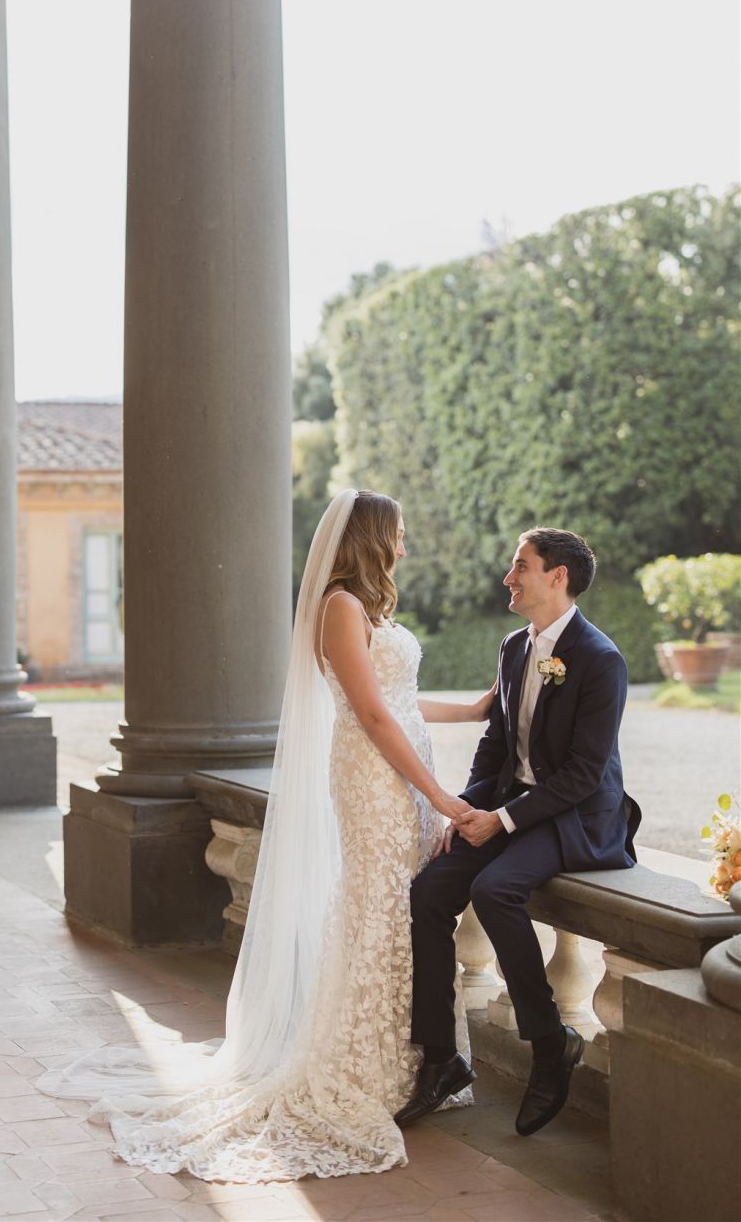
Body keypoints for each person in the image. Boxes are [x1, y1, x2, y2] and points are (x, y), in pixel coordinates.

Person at [38, 489, 495, 1181]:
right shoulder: (339, 606)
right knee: (374, 907)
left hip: (404, 770)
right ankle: (364, 1069)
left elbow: (399, 700)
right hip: (373, 778)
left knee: (403, 912)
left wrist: (472, 710)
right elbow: (371, 715)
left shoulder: (371, 610)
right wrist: (441, 797)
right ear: (370, 538)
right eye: (396, 535)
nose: (403, 547)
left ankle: (417, 1061)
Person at [401, 527, 641, 1138]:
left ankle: (547, 1040)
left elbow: (586, 774)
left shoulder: (601, 658)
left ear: (557, 577)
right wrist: (462, 812)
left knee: (495, 889)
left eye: (521, 566)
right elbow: (496, 747)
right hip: (514, 805)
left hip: (578, 816)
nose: (509, 577)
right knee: (428, 893)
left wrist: (501, 821)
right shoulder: (514, 647)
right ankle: (440, 1057)